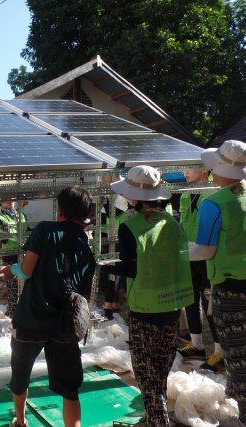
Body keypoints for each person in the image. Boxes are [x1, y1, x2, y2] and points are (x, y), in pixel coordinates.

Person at [0, 187, 95, 427]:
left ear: (60, 210)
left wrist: (9, 271)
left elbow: (27, 269)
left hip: (31, 319)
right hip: (65, 326)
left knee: (20, 374)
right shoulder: (87, 251)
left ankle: (20, 421)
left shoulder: (45, 230)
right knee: (69, 388)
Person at [111, 165, 193, 427]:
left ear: (133, 196)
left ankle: (158, 420)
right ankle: (158, 416)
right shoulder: (171, 221)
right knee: (161, 368)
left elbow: (132, 266)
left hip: (144, 307)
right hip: (171, 304)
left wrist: (110, 266)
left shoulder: (130, 226)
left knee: (146, 374)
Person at [189, 140, 246, 424]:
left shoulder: (214, 203)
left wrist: (179, 253)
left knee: (238, 354)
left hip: (231, 289)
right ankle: (236, 399)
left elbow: (205, 250)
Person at [176, 166, 223, 371]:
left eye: (189, 168)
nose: (184, 172)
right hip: (189, 254)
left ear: (205, 170)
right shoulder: (186, 195)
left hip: (208, 255)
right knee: (190, 298)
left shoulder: (213, 193)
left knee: (209, 303)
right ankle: (196, 345)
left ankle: (219, 352)